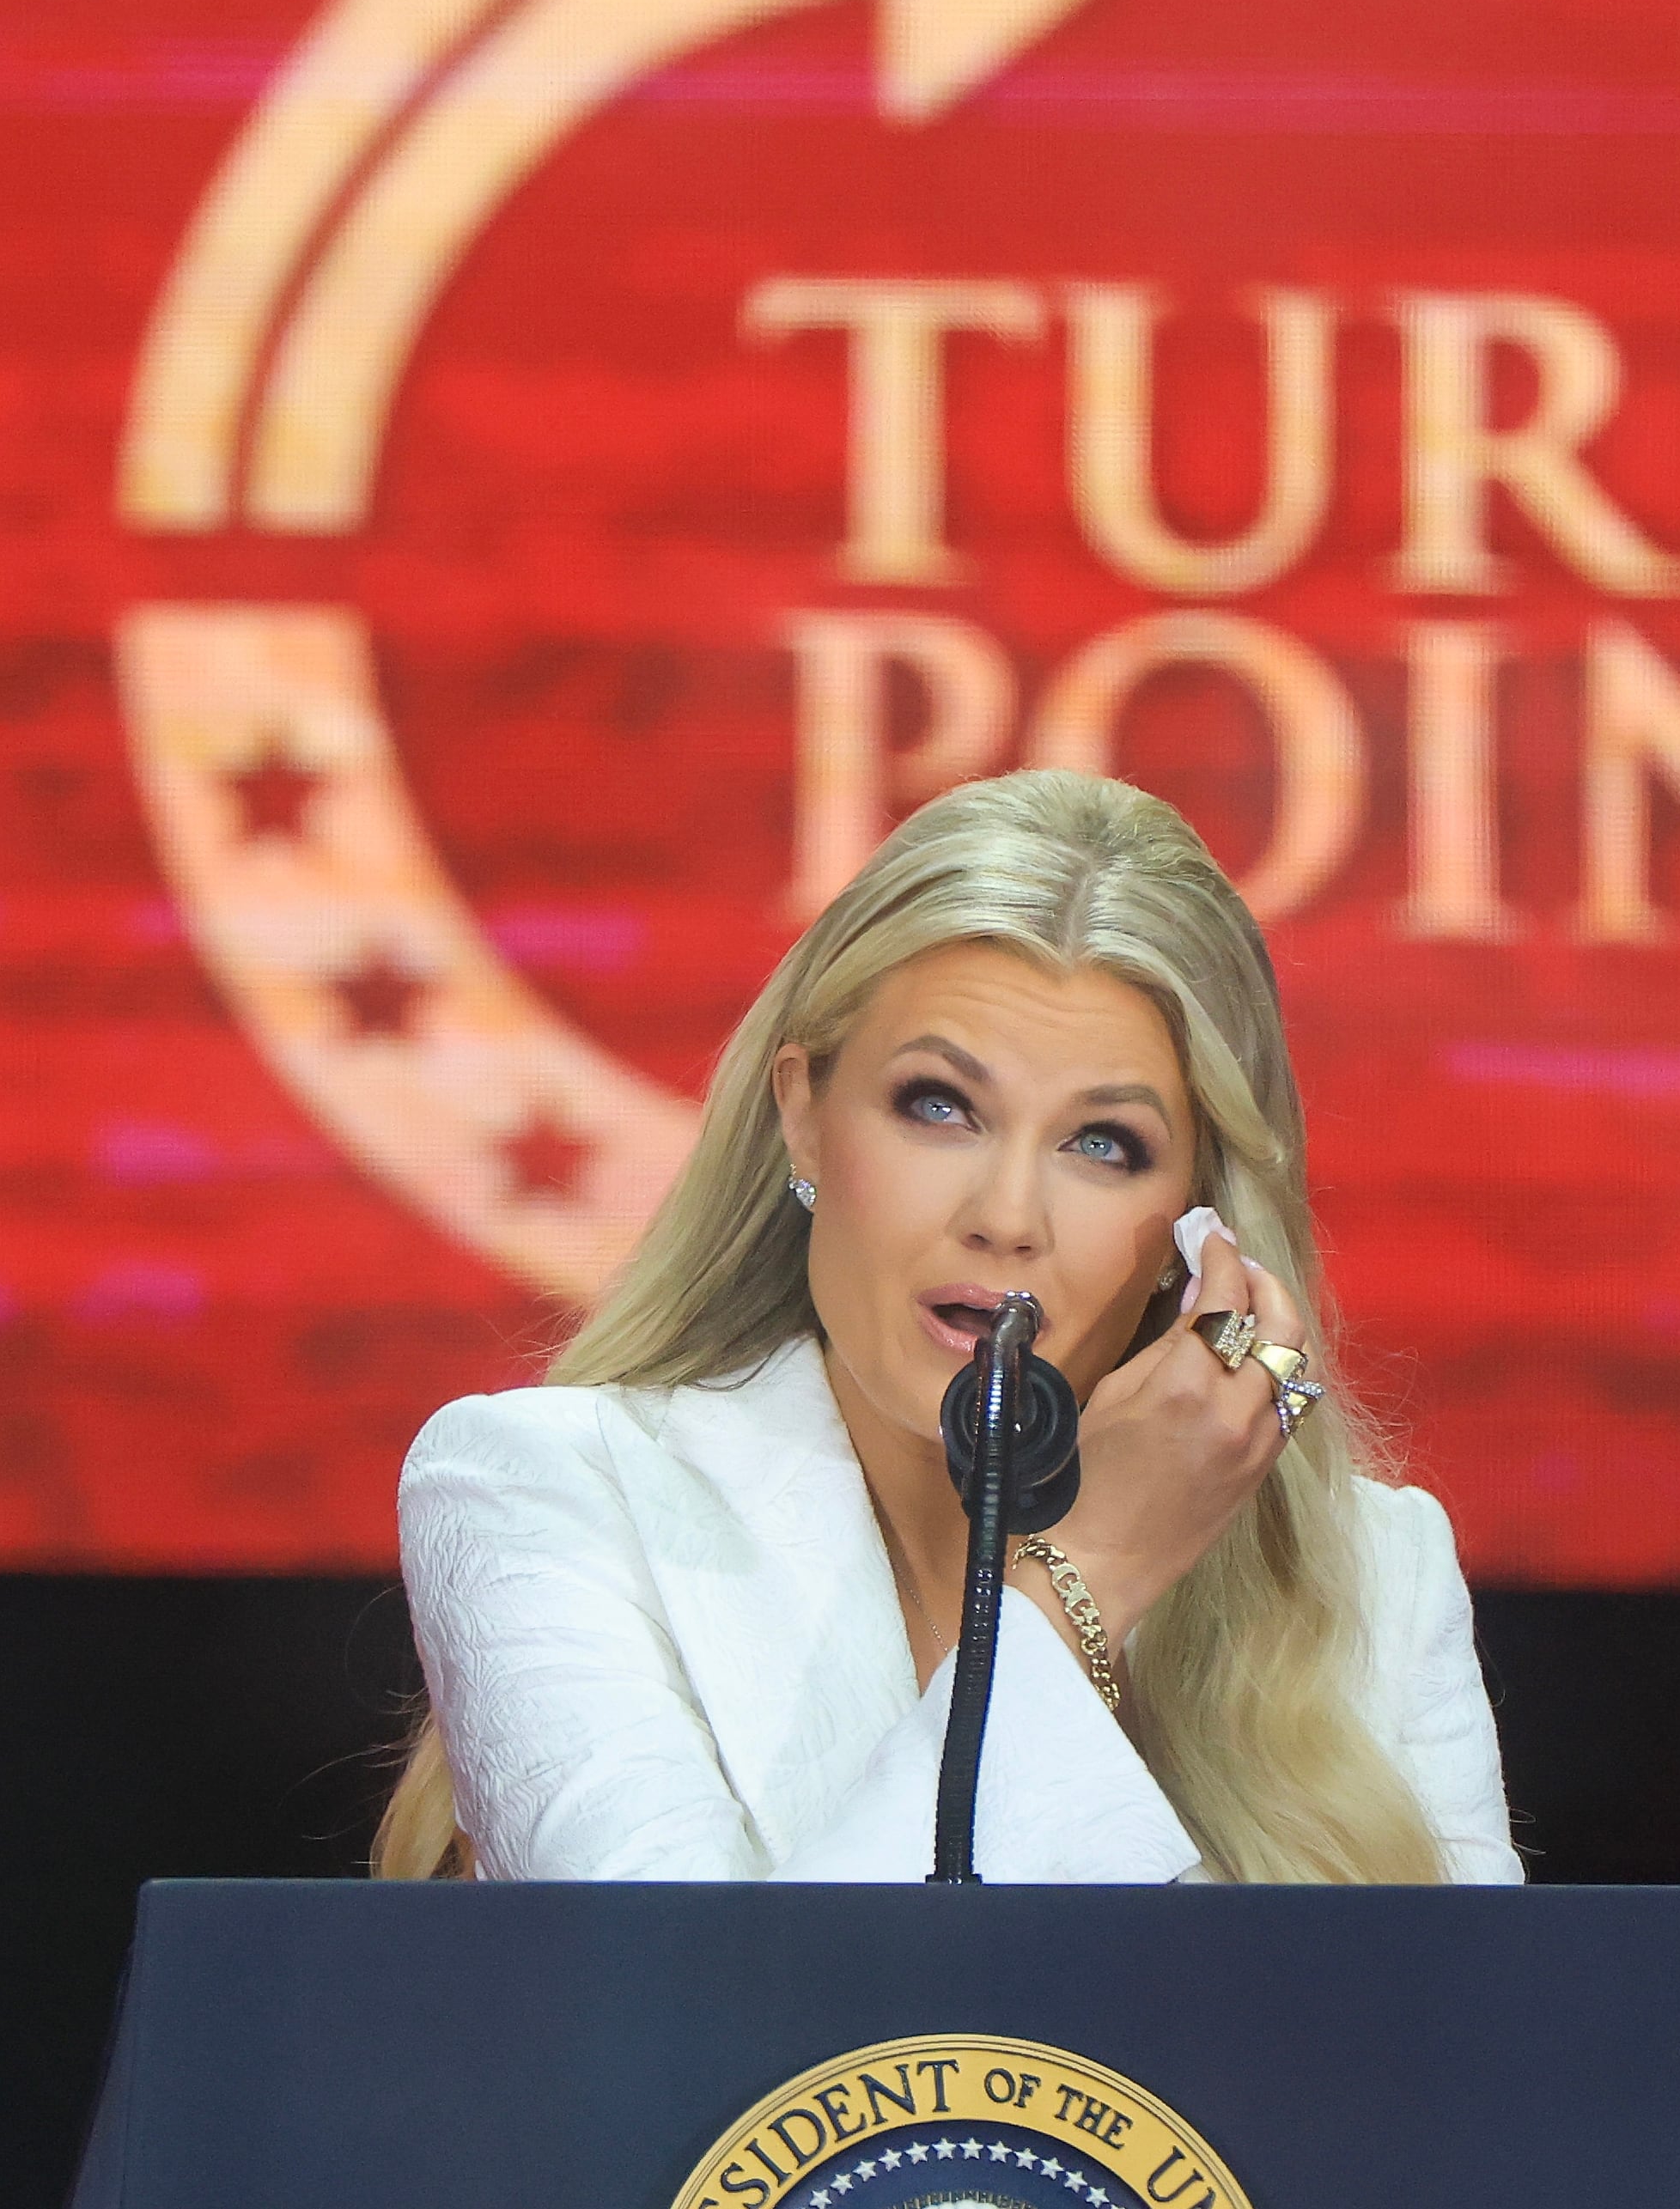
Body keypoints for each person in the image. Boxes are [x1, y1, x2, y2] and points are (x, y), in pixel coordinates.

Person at [374, 770, 1520, 1884]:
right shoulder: (546, 1493)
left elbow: (1485, 2021)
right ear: (803, 1116)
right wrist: (1089, 1573)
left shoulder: (1380, 1576)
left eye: (1103, 1144)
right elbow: (696, 2003)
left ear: (1199, 1226)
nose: (1007, 1218)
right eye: (941, 1106)